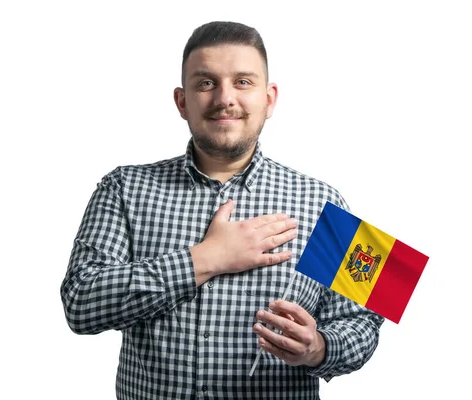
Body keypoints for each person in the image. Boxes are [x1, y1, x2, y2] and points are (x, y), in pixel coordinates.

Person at [60, 20, 384, 400]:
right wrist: (205, 259)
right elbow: (80, 302)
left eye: (243, 82)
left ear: (270, 98)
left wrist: (319, 348)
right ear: (182, 101)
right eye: (206, 83)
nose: (225, 98)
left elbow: (367, 320)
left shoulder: (324, 201)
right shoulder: (123, 187)